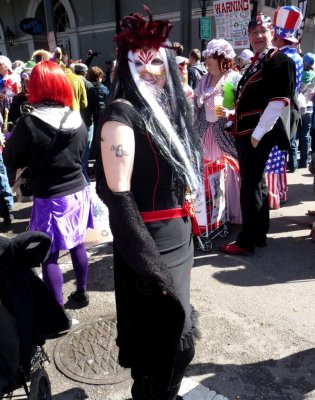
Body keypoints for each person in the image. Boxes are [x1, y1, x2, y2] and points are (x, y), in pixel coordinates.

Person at [95, 6, 201, 400]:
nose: (150, 69)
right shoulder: (120, 116)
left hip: (179, 236)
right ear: (124, 65)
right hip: (150, 243)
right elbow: (119, 199)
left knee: (179, 337)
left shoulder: (165, 110)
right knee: (166, 343)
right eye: (139, 61)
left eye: (158, 60)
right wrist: (151, 268)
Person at [4, 61, 93, 309]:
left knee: (49, 253)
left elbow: (11, 159)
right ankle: (82, 292)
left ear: (36, 85)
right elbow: (82, 150)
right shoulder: (76, 118)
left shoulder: (29, 122)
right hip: (78, 190)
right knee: (77, 244)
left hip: (50, 196)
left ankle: (58, 311)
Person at [220, 13, 296, 255]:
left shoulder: (279, 60)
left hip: (256, 133)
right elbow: (249, 98)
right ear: (249, 37)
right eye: (254, 32)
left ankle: (246, 241)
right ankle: (259, 234)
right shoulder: (256, 63)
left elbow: (278, 102)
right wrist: (232, 114)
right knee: (256, 183)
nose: (258, 36)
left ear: (272, 34)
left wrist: (258, 134)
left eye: (263, 31)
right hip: (247, 130)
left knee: (249, 185)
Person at [194, 39, 242, 224]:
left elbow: (241, 107)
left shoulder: (233, 79)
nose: (207, 61)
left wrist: (230, 112)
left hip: (224, 135)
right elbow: (196, 107)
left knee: (227, 173)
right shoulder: (203, 80)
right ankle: (211, 215)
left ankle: (229, 213)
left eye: (210, 58)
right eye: (206, 58)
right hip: (205, 133)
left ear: (221, 58)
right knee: (207, 171)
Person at [265, 5, 303, 208]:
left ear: (280, 39)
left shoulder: (282, 58)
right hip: (290, 109)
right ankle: (280, 191)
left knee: (272, 154)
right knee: (280, 154)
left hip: (279, 109)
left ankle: (272, 196)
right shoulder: (296, 57)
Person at [74, 63, 99, 180]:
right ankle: (83, 177)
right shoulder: (88, 85)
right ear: (85, 72)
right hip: (87, 121)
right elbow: (95, 105)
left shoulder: (70, 82)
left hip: (73, 121)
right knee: (86, 150)